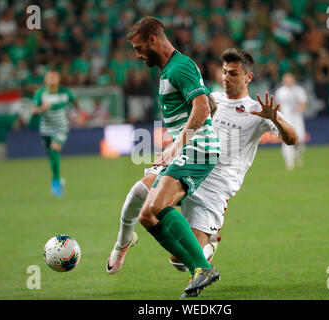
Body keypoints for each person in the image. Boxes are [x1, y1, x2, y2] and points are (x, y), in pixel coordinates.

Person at [106, 47, 298, 296]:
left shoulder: (258, 110)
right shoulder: (211, 99)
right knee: (139, 191)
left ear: (248, 77)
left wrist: (277, 119)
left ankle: (208, 247)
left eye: (234, 74)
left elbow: (293, 139)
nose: (227, 78)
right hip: (190, 163)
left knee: (178, 260)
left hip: (215, 188)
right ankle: (123, 243)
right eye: (225, 72)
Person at [124, 16, 221, 298]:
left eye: (140, 48)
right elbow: (203, 104)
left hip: (197, 149)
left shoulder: (180, 66)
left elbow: (202, 107)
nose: (138, 54)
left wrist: (177, 144)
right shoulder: (168, 70)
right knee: (147, 215)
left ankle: (202, 267)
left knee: (152, 209)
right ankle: (200, 269)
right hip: (188, 148)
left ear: (153, 40)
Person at [32, 70, 78, 197]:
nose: (52, 79)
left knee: (54, 150)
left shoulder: (65, 93)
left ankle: (56, 182)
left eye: (54, 77)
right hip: (45, 129)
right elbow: (34, 110)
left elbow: (75, 102)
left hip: (61, 128)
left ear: (59, 79)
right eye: (49, 77)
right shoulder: (40, 93)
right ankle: (56, 178)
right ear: (45, 80)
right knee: (51, 156)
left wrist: (78, 114)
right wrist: (42, 109)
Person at [275, 73, 307, 170]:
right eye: (286, 79)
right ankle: (289, 163)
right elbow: (277, 105)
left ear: (293, 79)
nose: (288, 81)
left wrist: (299, 109)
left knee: (300, 140)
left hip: (297, 119)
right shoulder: (280, 91)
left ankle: (298, 156)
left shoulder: (299, 90)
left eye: (290, 79)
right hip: (285, 120)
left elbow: (303, 103)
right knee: (286, 141)